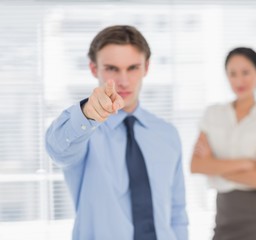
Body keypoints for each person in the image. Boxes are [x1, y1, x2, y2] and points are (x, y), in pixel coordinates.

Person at [45, 25, 188, 240]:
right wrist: (87, 114)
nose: (123, 80)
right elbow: (57, 148)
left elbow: (177, 212)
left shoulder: (167, 134)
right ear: (94, 69)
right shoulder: (84, 131)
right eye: (112, 68)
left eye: (132, 68)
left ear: (146, 68)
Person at [191, 47, 256, 240]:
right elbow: (196, 165)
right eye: (232, 73)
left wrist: (214, 164)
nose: (239, 80)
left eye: (246, 72)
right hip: (224, 214)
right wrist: (244, 163)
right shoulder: (213, 114)